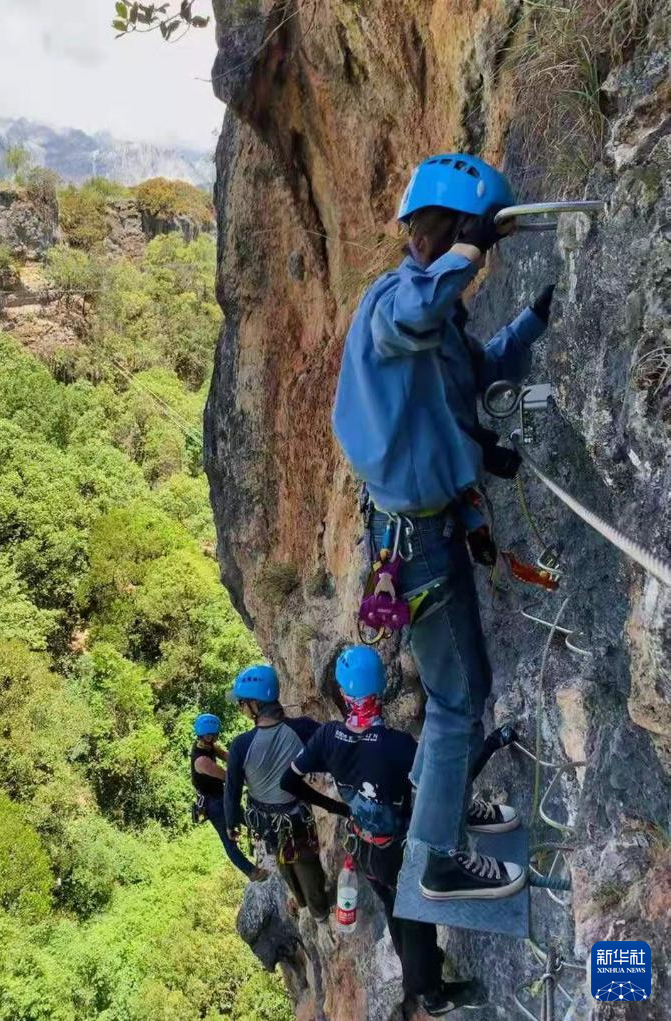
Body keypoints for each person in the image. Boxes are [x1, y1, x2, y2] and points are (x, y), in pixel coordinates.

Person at [332, 154, 544, 900]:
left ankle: (436, 803)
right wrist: (469, 249)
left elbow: (476, 370)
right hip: (414, 542)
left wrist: (532, 320)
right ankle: (436, 855)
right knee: (461, 694)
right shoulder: (394, 304)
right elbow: (416, 310)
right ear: (451, 232)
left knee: (457, 689)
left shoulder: (436, 319)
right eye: (470, 243)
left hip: (424, 531)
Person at [282, 646, 490, 1017]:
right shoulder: (398, 746)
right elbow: (447, 784)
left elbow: (289, 780)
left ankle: (418, 969)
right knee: (417, 913)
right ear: (380, 691)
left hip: (362, 845)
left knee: (394, 908)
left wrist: (337, 807)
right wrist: (489, 745)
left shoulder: (328, 737)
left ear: (344, 696)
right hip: (395, 849)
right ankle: (432, 995)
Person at [224, 664, 348, 921]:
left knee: (285, 862)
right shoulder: (302, 729)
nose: (240, 708)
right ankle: (318, 910)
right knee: (305, 862)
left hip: (264, 820)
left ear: (255, 705)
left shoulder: (240, 745)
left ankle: (311, 907)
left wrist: (231, 822)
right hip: (296, 816)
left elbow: (233, 787)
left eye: (242, 703)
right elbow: (330, 755)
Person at [191, 712, 268, 882]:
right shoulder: (201, 760)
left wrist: (244, 760)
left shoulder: (207, 745)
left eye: (215, 734)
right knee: (229, 839)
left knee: (245, 818)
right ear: (206, 735)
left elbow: (227, 756)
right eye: (213, 734)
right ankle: (252, 872)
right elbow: (227, 776)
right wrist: (251, 779)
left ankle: (269, 837)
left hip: (220, 796)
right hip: (213, 804)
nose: (215, 737)